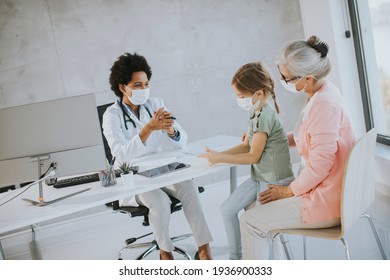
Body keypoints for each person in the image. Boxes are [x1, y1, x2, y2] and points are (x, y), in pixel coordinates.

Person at [239, 35, 356, 259]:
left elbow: (321, 165)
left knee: (250, 221)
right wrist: (272, 138)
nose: (281, 81)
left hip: (327, 202)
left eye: (286, 78)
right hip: (333, 190)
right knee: (254, 209)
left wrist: (288, 191)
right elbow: (309, 135)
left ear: (308, 79)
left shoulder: (324, 104)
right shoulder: (323, 92)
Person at [102, 52, 213, 260]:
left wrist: (170, 130)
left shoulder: (155, 103)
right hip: (133, 179)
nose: (144, 90)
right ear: (122, 87)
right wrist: (149, 128)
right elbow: (121, 155)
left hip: (161, 171)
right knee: (160, 203)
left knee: (189, 187)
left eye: (146, 84)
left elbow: (182, 140)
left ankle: (204, 249)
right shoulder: (112, 116)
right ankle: (165, 252)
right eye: (137, 85)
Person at [199, 62, 294, 260]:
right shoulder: (256, 112)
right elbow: (246, 146)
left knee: (259, 227)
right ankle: (237, 258)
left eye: (241, 96)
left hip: (274, 181)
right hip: (259, 177)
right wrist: (219, 154)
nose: (239, 100)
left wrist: (220, 158)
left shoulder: (265, 116)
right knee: (227, 209)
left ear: (258, 93)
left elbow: (253, 156)